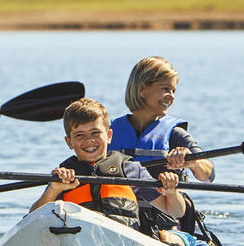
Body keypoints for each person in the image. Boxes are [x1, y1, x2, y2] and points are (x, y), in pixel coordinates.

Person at [29, 97, 186, 236]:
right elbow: (32, 219)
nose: (89, 140)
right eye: (79, 135)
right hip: (79, 239)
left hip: (125, 243)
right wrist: (54, 189)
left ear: (109, 136)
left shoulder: (130, 169)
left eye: (95, 133)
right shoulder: (64, 175)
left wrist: (172, 193)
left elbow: (175, 211)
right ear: (69, 142)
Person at [108, 56, 214, 234]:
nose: (171, 97)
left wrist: (193, 162)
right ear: (142, 88)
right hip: (116, 218)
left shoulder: (175, 134)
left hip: (164, 223)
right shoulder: (108, 132)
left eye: (173, 91)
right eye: (166, 89)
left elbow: (209, 174)